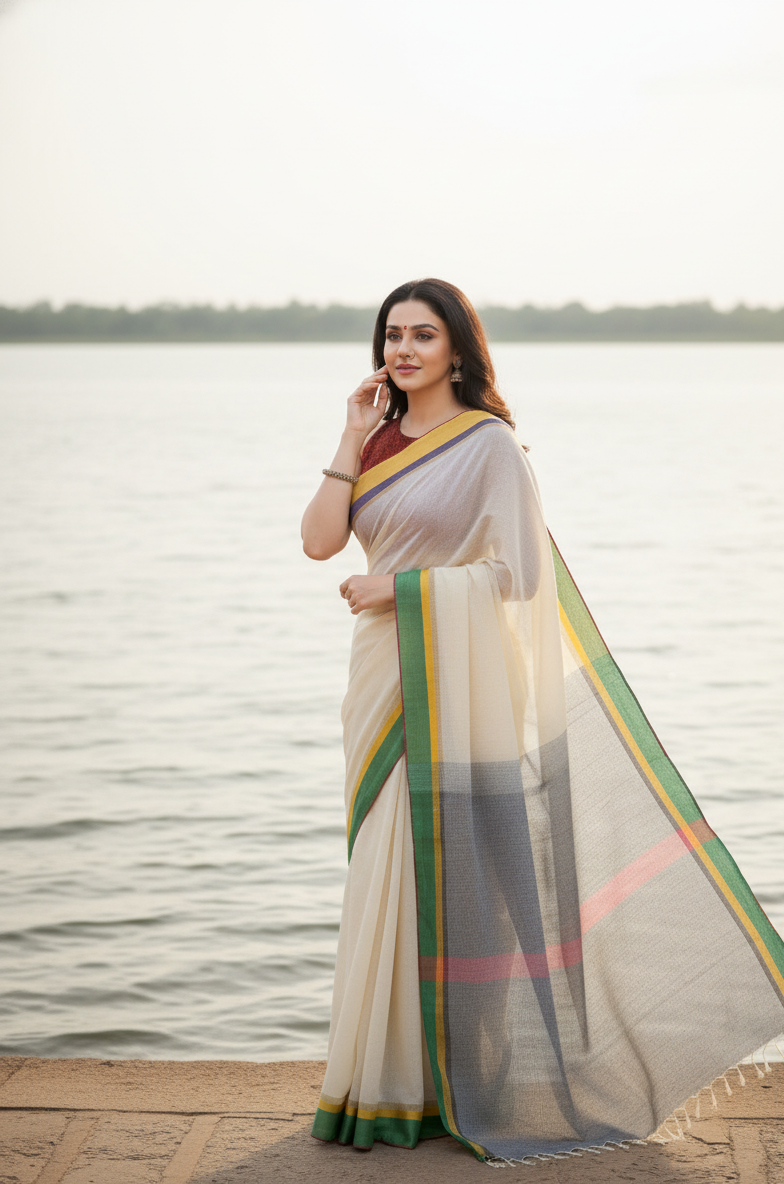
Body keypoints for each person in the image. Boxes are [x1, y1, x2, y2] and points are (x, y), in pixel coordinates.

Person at [300, 278, 784, 1163]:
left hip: (458, 686)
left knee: (455, 881)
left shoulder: (489, 447)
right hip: (381, 685)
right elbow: (319, 540)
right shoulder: (375, 444)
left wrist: (399, 589)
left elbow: (519, 577)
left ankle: (455, 1084)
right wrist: (346, 438)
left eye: (424, 335)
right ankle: (382, 1083)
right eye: (393, 336)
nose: (404, 351)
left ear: (458, 348)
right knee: (385, 872)